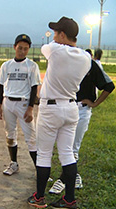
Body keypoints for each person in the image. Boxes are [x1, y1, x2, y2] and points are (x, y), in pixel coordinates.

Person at [27, 16, 91, 208]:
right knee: (67, 154)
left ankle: (39, 197)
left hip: (51, 108)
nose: (54, 36)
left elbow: (47, 48)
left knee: (44, 154)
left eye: (56, 32)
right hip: (72, 107)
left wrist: (57, 42)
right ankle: (69, 199)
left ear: (63, 34)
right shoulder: (86, 57)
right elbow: (69, 49)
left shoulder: (54, 49)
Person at [48, 54, 114, 194]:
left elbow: (109, 86)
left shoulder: (90, 64)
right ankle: (74, 174)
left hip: (82, 110)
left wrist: (95, 103)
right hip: (65, 107)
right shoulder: (64, 62)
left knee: (73, 147)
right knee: (63, 145)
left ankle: (63, 180)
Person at [0, 34, 41, 176]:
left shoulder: (32, 66)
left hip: (23, 103)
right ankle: (13, 163)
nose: (22, 51)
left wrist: (30, 108)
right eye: (20, 48)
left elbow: (34, 87)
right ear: (14, 47)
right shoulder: (6, 65)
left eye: (26, 49)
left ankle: (40, 170)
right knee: (10, 134)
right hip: (8, 102)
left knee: (31, 138)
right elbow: (1, 86)